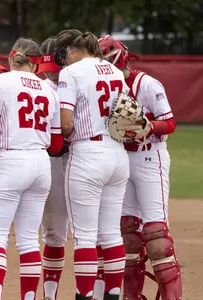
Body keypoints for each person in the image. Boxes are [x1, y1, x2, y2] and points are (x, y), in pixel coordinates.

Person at [0, 37, 63, 300]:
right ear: (36, 62)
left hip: (9, 162)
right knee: (29, 239)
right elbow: (56, 144)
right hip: (41, 165)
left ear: (10, 57)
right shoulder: (49, 91)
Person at [99, 35, 182, 300]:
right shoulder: (106, 85)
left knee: (156, 236)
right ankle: (131, 296)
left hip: (149, 157)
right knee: (128, 236)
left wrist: (147, 126)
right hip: (123, 160)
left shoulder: (146, 83)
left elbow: (169, 123)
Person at [55, 29, 130, 300]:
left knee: (85, 236)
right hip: (117, 153)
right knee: (111, 234)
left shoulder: (70, 73)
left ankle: (84, 297)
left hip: (87, 153)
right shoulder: (115, 72)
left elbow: (65, 125)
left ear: (68, 52)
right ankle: (111, 296)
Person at [36, 35, 68, 300]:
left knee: (70, 233)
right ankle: (49, 294)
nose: (52, 76)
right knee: (49, 232)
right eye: (48, 71)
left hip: (76, 163)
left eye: (56, 71)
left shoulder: (79, 83)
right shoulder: (40, 87)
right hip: (44, 162)